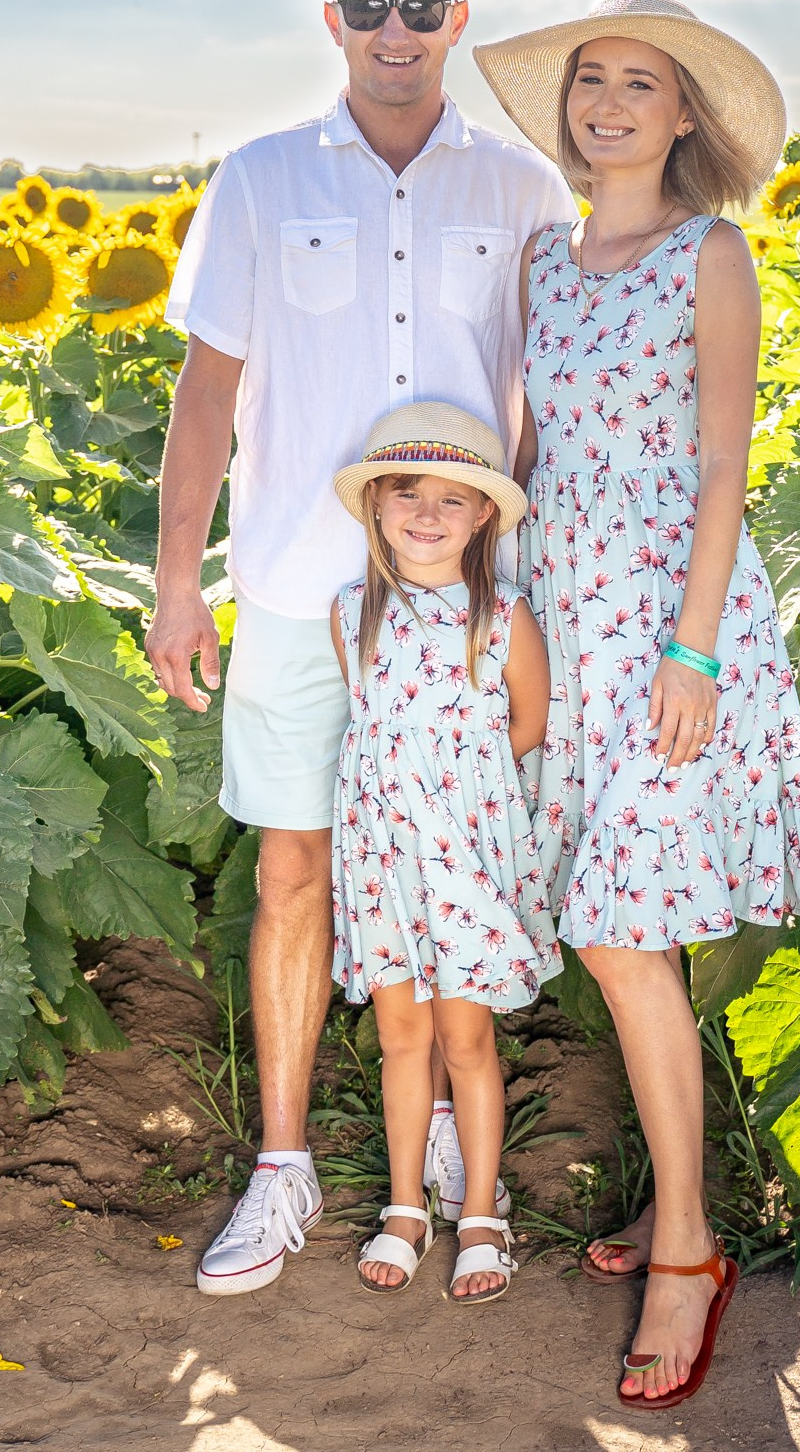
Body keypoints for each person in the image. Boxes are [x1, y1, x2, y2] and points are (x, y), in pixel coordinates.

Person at [145, 0, 572, 1298]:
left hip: (454, 601)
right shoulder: (261, 178)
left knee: (451, 857)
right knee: (293, 869)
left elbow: (543, 396)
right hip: (291, 580)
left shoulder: (520, 188)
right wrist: (177, 583)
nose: (397, 30)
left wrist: (525, 574)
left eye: (422, 7)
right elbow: (206, 394)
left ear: (459, 20)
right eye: (370, 6)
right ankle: (283, 1167)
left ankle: (437, 1120)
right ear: (332, 20)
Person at [474, 0, 800, 1409]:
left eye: (640, 82)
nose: (608, 103)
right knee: (626, 927)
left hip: (667, 625)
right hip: (562, 614)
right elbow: (527, 452)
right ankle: (671, 1202)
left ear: (683, 113)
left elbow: (723, 466)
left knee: (624, 937)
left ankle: (688, 1253)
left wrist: (692, 653)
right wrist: (494, 610)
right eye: (590, 79)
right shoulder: (542, 259)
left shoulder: (712, 253)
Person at [328, 402, 557, 1302]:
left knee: (466, 1037)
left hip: (465, 858)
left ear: (483, 515)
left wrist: (459, 803)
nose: (427, 514)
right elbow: (371, 732)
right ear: (377, 505)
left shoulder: (501, 617)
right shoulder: (351, 614)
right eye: (407, 494)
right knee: (400, 1035)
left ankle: (482, 1213)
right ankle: (404, 1206)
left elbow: (526, 726)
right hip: (383, 858)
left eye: (452, 499)